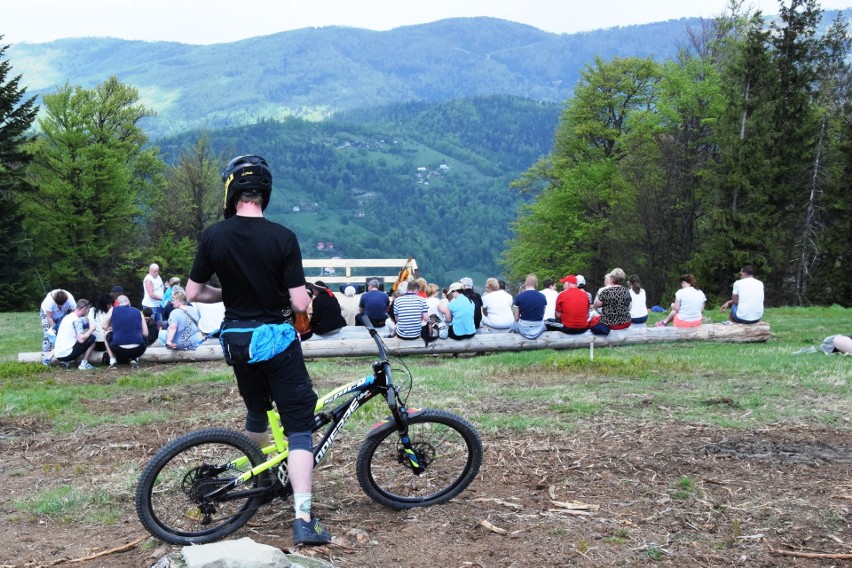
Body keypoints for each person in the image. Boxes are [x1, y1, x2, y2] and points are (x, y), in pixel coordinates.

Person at [185, 154, 330, 545]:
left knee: (257, 410)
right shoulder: (283, 237)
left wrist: (229, 292)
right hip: (275, 341)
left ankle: (263, 474)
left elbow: (193, 292)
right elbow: (300, 305)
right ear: (264, 195)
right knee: (299, 428)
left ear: (233, 193)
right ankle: (302, 518)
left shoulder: (215, 234)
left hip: (236, 340)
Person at [49, 298, 97, 370]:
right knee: (92, 337)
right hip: (67, 354)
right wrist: (91, 330)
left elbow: (85, 321)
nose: (87, 312)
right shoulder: (76, 320)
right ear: (84, 309)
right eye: (88, 310)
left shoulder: (67, 317)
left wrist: (89, 319)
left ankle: (65, 362)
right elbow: (81, 339)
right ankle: (84, 363)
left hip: (58, 355)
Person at [103, 294, 148, 368]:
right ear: (129, 302)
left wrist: (114, 328)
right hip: (139, 349)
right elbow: (145, 333)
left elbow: (104, 326)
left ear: (117, 303)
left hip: (118, 349)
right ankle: (134, 358)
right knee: (140, 335)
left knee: (105, 333)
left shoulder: (113, 310)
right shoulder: (138, 311)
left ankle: (113, 362)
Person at [593, 268, 632, 333]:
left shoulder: (606, 291)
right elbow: (629, 308)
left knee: (594, 321)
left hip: (610, 324)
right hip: (626, 323)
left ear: (612, 279)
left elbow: (596, 305)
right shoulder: (627, 291)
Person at [511, 274, 547, 339]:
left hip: (524, 328)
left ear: (525, 283)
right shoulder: (543, 297)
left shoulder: (519, 297)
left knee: (514, 325)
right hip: (538, 327)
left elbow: (516, 318)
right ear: (536, 284)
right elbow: (542, 315)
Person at [89, 293, 114, 365]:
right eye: (109, 304)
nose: (111, 306)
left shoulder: (92, 311)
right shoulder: (110, 313)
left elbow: (91, 326)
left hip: (95, 344)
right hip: (107, 343)